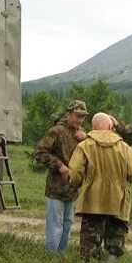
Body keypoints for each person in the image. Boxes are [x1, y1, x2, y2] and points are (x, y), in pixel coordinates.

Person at [68, 112, 132, 261]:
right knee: (115, 238)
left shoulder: (84, 146)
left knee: (90, 240)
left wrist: (78, 184)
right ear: (110, 126)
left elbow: (74, 173)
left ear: (93, 127)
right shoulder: (124, 147)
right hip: (118, 199)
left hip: (92, 199)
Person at [31, 99, 89, 252]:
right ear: (69, 114)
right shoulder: (57, 131)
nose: (80, 120)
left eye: (83, 117)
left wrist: (86, 139)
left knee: (68, 224)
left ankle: (59, 256)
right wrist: (59, 165)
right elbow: (39, 152)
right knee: (55, 226)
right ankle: (51, 258)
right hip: (56, 188)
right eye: (78, 116)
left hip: (71, 188)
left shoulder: (80, 134)